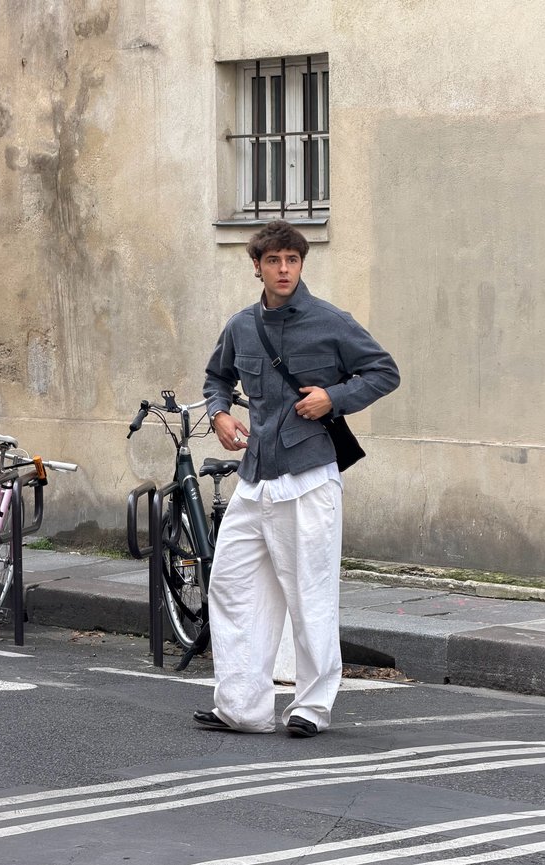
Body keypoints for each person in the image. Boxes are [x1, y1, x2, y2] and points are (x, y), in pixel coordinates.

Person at [194, 220, 399, 737]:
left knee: (309, 594)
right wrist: (220, 413)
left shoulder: (331, 321)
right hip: (255, 476)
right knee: (232, 585)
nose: (284, 270)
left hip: (309, 477)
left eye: (293, 260)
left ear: (301, 264)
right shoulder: (242, 326)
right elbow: (217, 377)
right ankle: (243, 707)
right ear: (257, 266)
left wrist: (335, 397)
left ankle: (312, 706)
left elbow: (383, 371)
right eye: (274, 261)